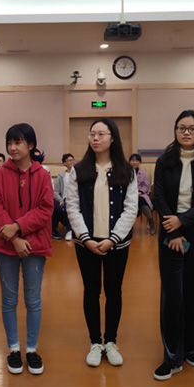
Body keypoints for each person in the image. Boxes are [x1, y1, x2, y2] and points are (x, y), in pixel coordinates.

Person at [152, 110, 194, 381]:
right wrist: (175, 228)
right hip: (170, 230)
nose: (186, 132)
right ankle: (171, 355)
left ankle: (192, 347)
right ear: (175, 130)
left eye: (192, 128)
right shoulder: (165, 161)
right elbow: (158, 195)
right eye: (181, 128)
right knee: (172, 294)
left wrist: (183, 220)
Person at [66, 118, 138, 368]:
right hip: (86, 244)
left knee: (114, 291)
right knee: (91, 290)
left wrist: (113, 239)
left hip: (117, 244)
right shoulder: (78, 171)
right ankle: (95, 342)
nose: (95, 138)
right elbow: (72, 207)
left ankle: (111, 341)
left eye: (101, 134)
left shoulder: (126, 171)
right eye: (92, 134)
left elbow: (131, 208)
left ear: (113, 138)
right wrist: (86, 238)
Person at [0, 123, 53, 375]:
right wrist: (14, 238)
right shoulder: (0, 174)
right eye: (10, 143)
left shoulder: (43, 175)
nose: (13, 148)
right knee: (9, 299)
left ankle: (31, 349)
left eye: (18, 142)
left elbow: (46, 209)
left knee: (33, 300)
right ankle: (13, 348)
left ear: (31, 145)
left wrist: (18, 227)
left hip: (35, 244)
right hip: (6, 244)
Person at [129, 153, 155, 233]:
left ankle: (151, 224)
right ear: (129, 161)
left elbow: (146, 185)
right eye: (133, 160)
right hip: (129, 195)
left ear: (139, 162)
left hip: (141, 194)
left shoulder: (143, 173)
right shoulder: (126, 172)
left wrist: (140, 192)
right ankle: (128, 227)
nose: (134, 162)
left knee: (142, 201)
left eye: (136, 161)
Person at [53, 153, 75, 240]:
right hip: (66, 198)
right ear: (64, 163)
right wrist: (60, 200)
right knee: (67, 205)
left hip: (77, 198)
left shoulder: (79, 174)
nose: (71, 162)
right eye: (69, 160)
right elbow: (55, 192)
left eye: (72, 160)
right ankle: (69, 230)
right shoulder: (61, 176)